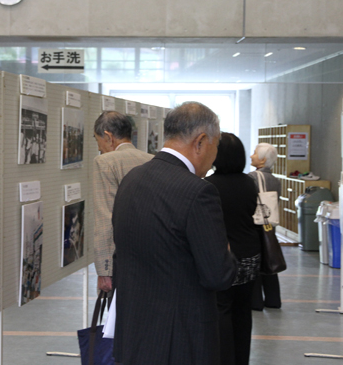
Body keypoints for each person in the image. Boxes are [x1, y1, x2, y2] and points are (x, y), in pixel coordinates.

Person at [112, 102, 238, 365]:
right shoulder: (198, 192)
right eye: (216, 146)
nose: (214, 158)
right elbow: (219, 275)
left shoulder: (132, 179)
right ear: (201, 142)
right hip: (179, 339)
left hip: (133, 332)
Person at [205, 133, 261, 365]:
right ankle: (241, 360)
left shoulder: (209, 185)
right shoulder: (249, 182)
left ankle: (224, 359)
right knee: (243, 310)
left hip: (223, 256)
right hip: (250, 254)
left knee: (221, 309)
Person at [92, 111, 153, 295]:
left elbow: (105, 218)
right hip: (151, 255)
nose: (100, 149)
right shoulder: (151, 159)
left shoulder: (105, 162)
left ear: (108, 137)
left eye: (98, 142)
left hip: (123, 259)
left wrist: (105, 271)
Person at [249, 142, 283, 310]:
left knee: (256, 262)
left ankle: (255, 302)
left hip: (256, 225)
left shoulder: (253, 177)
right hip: (269, 226)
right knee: (269, 260)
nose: (251, 156)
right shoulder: (276, 180)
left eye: (255, 153)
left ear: (262, 161)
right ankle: (273, 299)